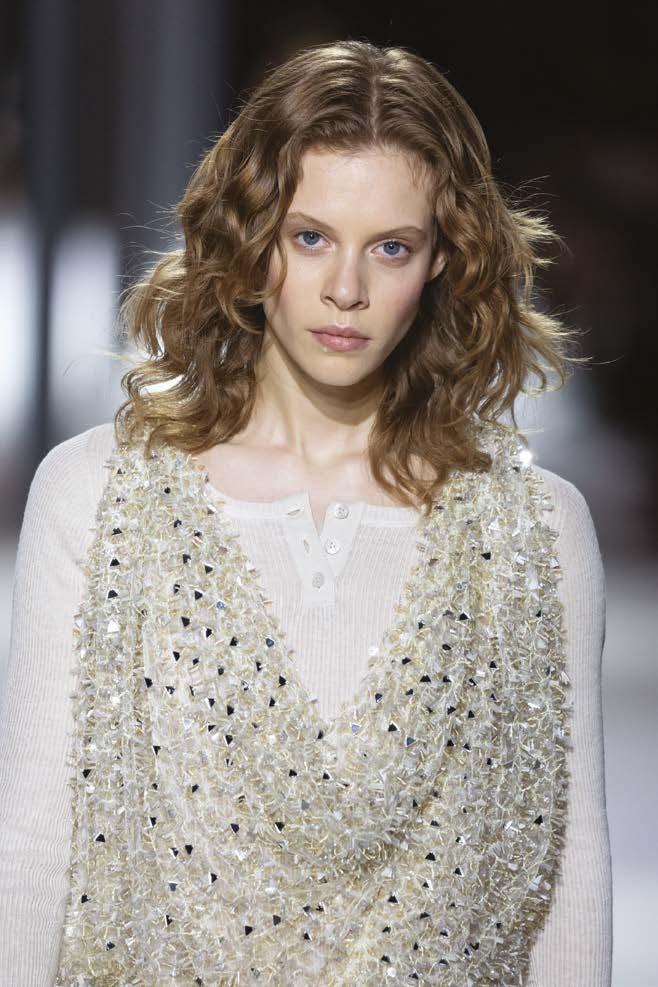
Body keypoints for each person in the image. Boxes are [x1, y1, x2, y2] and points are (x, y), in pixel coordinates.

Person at [0, 39, 612, 986]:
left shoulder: (534, 531)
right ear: (251, 242)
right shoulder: (95, 495)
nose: (346, 290)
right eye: (311, 236)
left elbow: (564, 880)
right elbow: (35, 847)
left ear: (443, 260)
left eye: (391, 247)